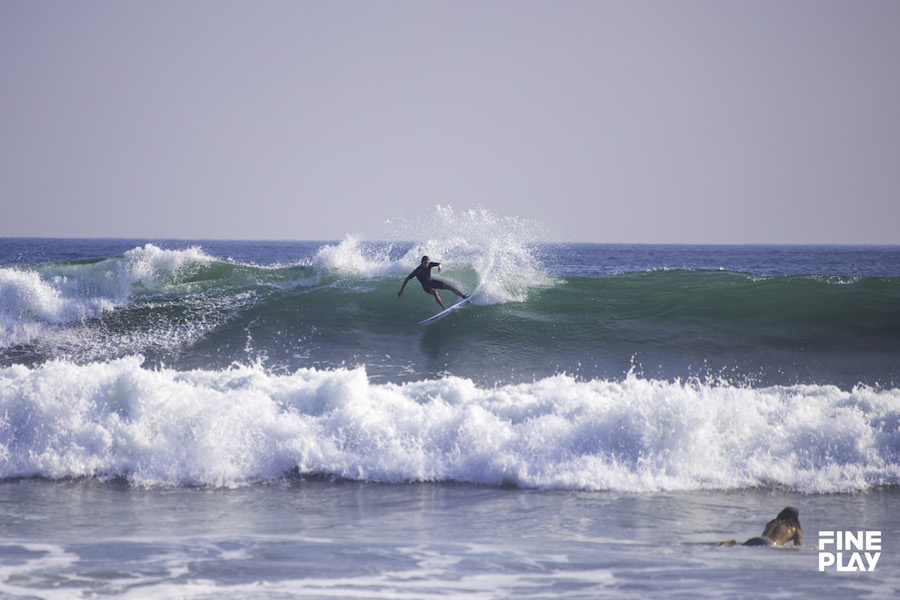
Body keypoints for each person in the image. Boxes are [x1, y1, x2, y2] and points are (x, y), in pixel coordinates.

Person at [398, 255, 468, 310]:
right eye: (425, 263)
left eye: (427, 263)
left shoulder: (430, 264)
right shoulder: (417, 270)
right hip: (426, 286)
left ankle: (463, 296)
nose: (426, 264)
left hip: (432, 281)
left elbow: (439, 263)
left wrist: (439, 267)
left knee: (449, 286)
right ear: (421, 262)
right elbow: (407, 279)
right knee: (434, 292)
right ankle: (444, 308)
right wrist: (401, 290)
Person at [719, 506, 803, 547]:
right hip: (768, 545)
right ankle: (735, 544)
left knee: (745, 546)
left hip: (756, 539)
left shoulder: (772, 523)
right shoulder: (795, 528)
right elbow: (798, 546)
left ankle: (734, 543)